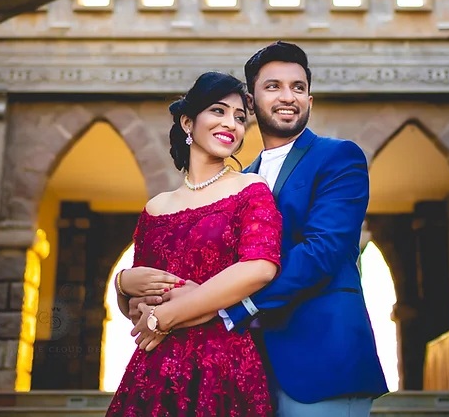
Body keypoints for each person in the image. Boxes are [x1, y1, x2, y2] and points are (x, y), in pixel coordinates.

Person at [131, 42, 388, 416]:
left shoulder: (338, 157)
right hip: (248, 371)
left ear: (310, 100)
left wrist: (229, 308)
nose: (288, 97)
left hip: (322, 362)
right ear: (251, 102)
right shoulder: (241, 182)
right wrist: (129, 286)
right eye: (274, 86)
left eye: (298, 88)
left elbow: (324, 251)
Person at [106, 71, 283, 417]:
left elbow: (260, 267)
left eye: (239, 117)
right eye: (218, 111)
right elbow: (140, 308)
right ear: (188, 122)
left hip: (222, 362)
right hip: (155, 368)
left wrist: (165, 316)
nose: (231, 124)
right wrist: (123, 284)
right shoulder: (156, 207)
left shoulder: (250, 189)